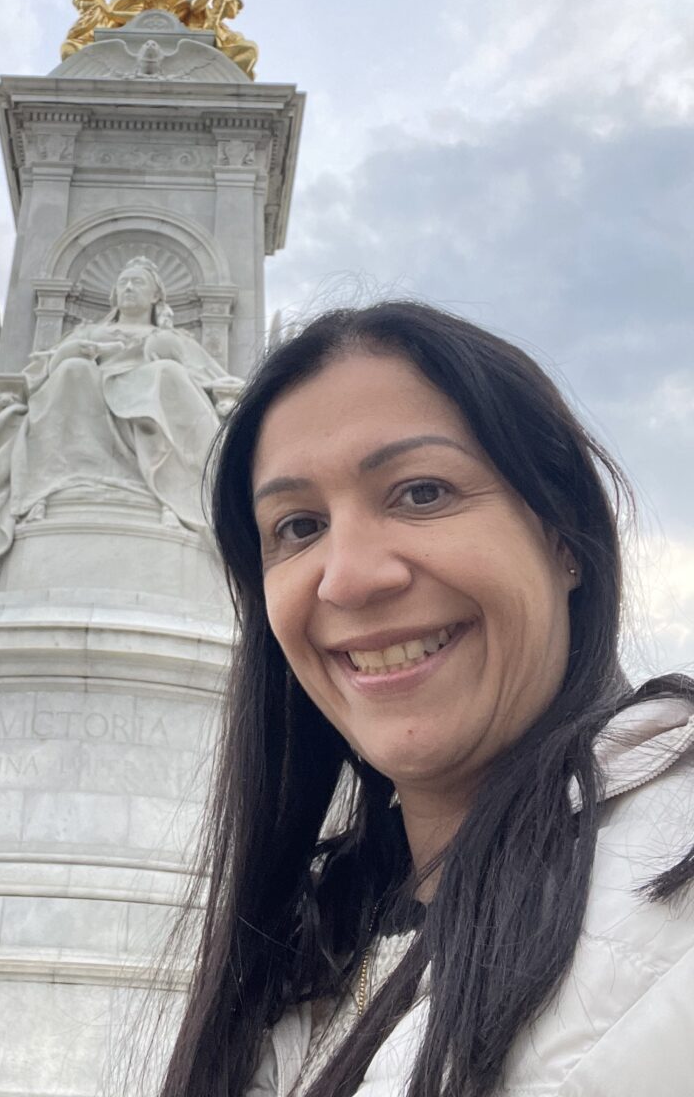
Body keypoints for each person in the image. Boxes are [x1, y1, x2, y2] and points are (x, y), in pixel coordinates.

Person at [158, 301, 694, 1097]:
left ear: (565, 537)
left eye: (421, 493)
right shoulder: (309, 942)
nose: (347, 577)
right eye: (298, 526)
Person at [0, 257, 241, 603]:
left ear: (155, 297)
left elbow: (208, 376)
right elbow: (41, 370)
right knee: (73, 371)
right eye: (123, 282)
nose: (128, 288)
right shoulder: (87, 332)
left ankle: (172, 493)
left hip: (147, 394)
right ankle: (52, 487)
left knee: (168, 376)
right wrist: (73, 352)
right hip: (87, 392)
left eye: (137, 282)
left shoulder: (171, 337)